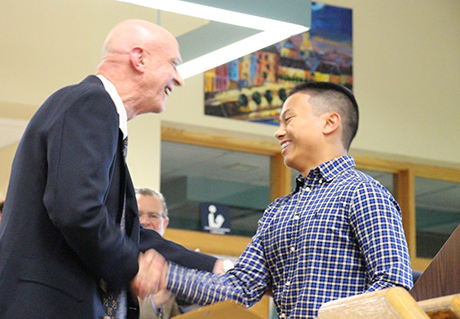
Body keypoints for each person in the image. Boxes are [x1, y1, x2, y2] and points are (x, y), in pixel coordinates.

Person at [0, 19, 220, 319]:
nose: (179, 78)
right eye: (174, 64)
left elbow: (129, 234)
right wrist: (133, 268)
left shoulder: (96, 113)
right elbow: (76, 211)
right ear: (140, 59)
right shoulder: (92, 103)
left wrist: (214, 267)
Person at [163, 82, 413, 318]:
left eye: (288, 119)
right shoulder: (277, 211)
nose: (278, 132)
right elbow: (239, 287)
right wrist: (165, 276)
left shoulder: (364, 193)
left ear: (329, 122)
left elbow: (392, 287)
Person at [135, 187, 181, 319]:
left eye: (153, 216)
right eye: (138, 215)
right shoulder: (113, 260)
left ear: (165, 223)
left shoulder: (172, 266)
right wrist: (155, 302)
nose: (144, 222)